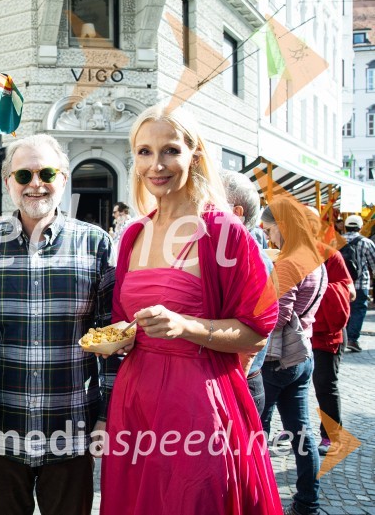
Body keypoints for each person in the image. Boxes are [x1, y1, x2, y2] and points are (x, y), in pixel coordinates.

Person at [102, 105, 282, 515]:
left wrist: (185, 326)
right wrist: (119, 339)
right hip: (135, 401)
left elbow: (257, 332)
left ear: (194, 155)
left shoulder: (223, 231)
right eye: (144, 152)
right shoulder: (132, 234)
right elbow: (122, 322)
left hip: (198, 404)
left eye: (170, 150)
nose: (156, 165)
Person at [0, 134, 115, 514]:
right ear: (9, 183)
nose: (36, 183)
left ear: (63, 179)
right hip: (0, 431)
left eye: (46, 173)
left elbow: (114, 340)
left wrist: (106, 416)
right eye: (23, 175)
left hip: (71, 433)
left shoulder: (97, 245)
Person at [260, 197, 327, 515]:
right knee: (302, 433)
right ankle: (307, 502)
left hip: (278, 358)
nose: (268, 236)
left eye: (269, 229)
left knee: (257, 430)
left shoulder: (289, 262)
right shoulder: (315, 258)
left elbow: (278, 316)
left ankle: (256, 499)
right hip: (302, 355)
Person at [220, 169, 274, 416]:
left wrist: (230, 389)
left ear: (236, 213)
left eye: (212, 203)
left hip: (238, 382)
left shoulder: (249, 258)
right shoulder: (226, 254)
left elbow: (252, 340)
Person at [306, 209, 353, 457]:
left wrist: (311, 289)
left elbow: (349, 291)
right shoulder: (289, 252)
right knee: (294, 385)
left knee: (325, 385)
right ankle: (297, 431)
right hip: (301, 332)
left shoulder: (329, 255)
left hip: (326, 333)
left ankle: (332, 436)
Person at [340, 214, 375, 352]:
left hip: (341, 283)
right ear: (360, 227)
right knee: (358, 310)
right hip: (360, 283)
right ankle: (352, 339)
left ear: (345, 226)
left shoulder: (336, 241)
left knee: (342, 310)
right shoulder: (366, 242)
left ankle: (342, 338)